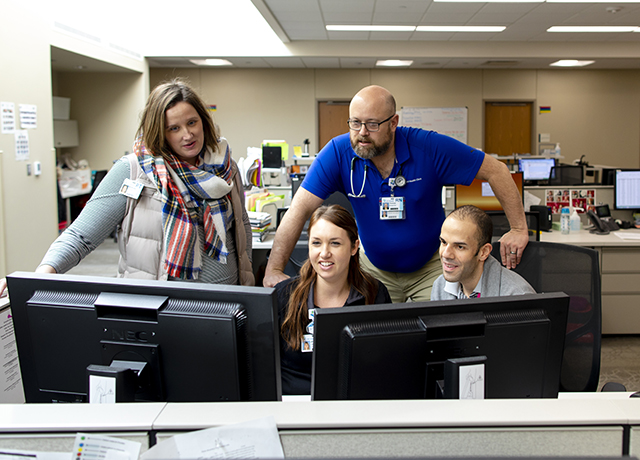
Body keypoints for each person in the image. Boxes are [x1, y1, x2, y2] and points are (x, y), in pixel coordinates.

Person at [264, 84, 528, 302]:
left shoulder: (428, 147)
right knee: (375, 343)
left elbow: (497, 171)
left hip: (430, 268)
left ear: (394, 123)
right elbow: (298, 209)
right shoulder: (338, 152)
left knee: (436, 337)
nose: (362, 134)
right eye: (354, 123)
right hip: (373, 269)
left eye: (372, 124)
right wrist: (274, 269)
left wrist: (518, 228)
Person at [0, 78, 253, 296]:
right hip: (165, 307)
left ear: (203, 121)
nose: (187, 135)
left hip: (227, 301)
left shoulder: (225, 166)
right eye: (173, 128)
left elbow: (241, 227)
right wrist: (41, 274)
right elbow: (82, 235)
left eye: (192, 122)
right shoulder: (135, 170)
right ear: (159, 132)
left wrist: (248, 283)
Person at [275, 204, 391, 395]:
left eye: (335, 243)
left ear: (354, 247)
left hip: (354, 400)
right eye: (316, 243)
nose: (324, 253)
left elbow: (383, 365)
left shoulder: (374, 293)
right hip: (295, 403)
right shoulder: (285, 295)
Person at [431, 205, 535, 300]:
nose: (446, 254)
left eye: (460, 247)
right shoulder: (440, 286)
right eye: (444, 242)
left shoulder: (517, 296)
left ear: (483, 252)